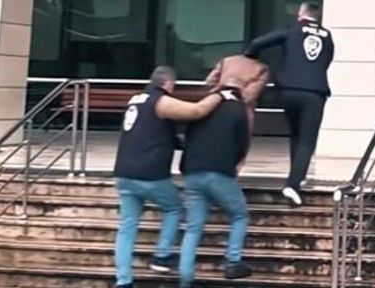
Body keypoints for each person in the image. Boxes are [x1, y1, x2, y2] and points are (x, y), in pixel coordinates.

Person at [112, 67, 223, 288]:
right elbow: (196, 111)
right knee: (174, 209)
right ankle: (162, 256)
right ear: (169, 83)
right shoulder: (160, 101)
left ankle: (123, 281)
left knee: (126, 227)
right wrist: (220, 95)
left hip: (124, 173)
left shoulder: (136, 99)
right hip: (150, 173)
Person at [244, 1, 333, 206]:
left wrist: (250, 56)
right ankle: (293, 184)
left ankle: (297, 177)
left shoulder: (291, 29)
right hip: (314, 93)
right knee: (306, 140)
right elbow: (326, 61)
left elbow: (258, 42)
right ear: (317, 16)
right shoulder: (327, 36)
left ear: (301, 13)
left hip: (288, 91)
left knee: (296, 135)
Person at [178, 80, 253, 287]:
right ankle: (233, 262)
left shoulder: (204, 103)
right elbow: (242, 143)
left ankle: (186, 278)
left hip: (193, 173)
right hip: (220, 173)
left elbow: (188, 136)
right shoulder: (238, 109)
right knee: (239, 215)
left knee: (193, 227)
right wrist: (234, 164)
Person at [204, 52, 269, 131]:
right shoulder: (262, 68)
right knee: (241, 130)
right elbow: (252, 92)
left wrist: (217, 88)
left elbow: (210, 81)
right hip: (241, 105)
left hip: (220, 98)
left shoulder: (227, 60)